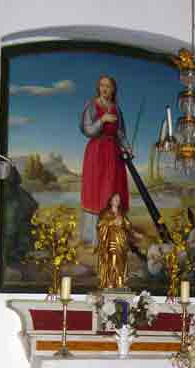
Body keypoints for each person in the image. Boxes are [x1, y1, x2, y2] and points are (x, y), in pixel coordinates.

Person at [80, 75, 132, 245]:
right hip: (96, 152)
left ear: (113, 89)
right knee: (96, 189)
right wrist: (102, 120)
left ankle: (113, 235)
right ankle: (95, 237)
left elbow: (120, 133)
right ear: (98, 88)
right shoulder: (92, 106)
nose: (104, 89)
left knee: (112, 188)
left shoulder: (116, 109)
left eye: (108, 86)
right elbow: (87, 129)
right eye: (102, 85)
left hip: (113, 152)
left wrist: (127, 146)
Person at [96, 193, 133, 289]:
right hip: (111, 241)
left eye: (119, 199)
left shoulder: (122, 214)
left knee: (121, 262)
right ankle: (111, 282)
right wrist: (111, 222)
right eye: (115, 198)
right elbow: (100, 225)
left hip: (121, 242)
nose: (117, 200)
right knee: (112, 259)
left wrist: (127, 227)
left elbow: (128, 226)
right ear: (111, 200)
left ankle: (120, 281)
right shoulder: (105, 213)